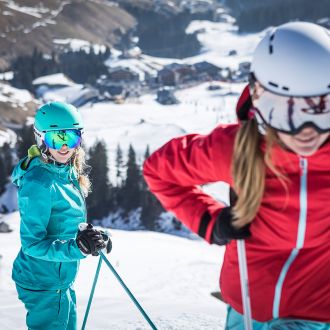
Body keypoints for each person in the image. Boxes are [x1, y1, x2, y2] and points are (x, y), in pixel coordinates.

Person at [143, 22, 330, 329]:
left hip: (316, 312)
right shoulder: (237, 148)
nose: (306, 131)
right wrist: (209, 221)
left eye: (322, 109)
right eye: (286, 112)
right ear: (258, 97)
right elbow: (160, 171)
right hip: (247, 309)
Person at [11, 101, 111, 330]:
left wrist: (94, 237)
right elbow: (32, 244)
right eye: (57, 139)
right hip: (43, 282)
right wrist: (78, 249)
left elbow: (66, 222)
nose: (65, 146)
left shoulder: (64, 170)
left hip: (59, 278)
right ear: (41, 139)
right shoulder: (39, 183)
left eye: (71, 138)